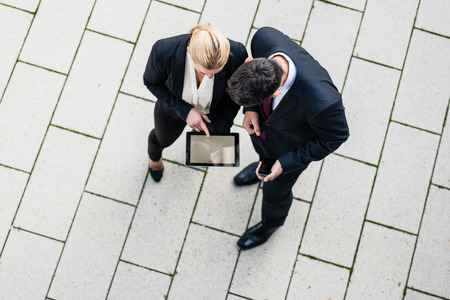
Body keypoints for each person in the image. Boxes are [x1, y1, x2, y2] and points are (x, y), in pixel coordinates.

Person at [227, 27, 350, 250]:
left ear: (274, 94)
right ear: (250, 60)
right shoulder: (262, 38)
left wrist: (286, 163)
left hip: (289, 150)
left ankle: (269, 226)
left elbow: (336, 136)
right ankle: (261, 164)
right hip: (265, 136)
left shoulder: (323, 102)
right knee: (263, 156)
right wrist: (250, 110)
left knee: (275, 194)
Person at [143, 24, 247, 182]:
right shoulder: (163, 51)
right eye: (204, 72)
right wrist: (185, 111)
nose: (210, 78)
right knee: (162, 138)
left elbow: (236, 93)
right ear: (189, 51)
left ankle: (199, 152)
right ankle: (155, 159)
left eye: (216, 72)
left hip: (214, 112)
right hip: (173, 109)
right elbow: (151, 82)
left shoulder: (237, 53)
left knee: (206, 147)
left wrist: (222, 127)